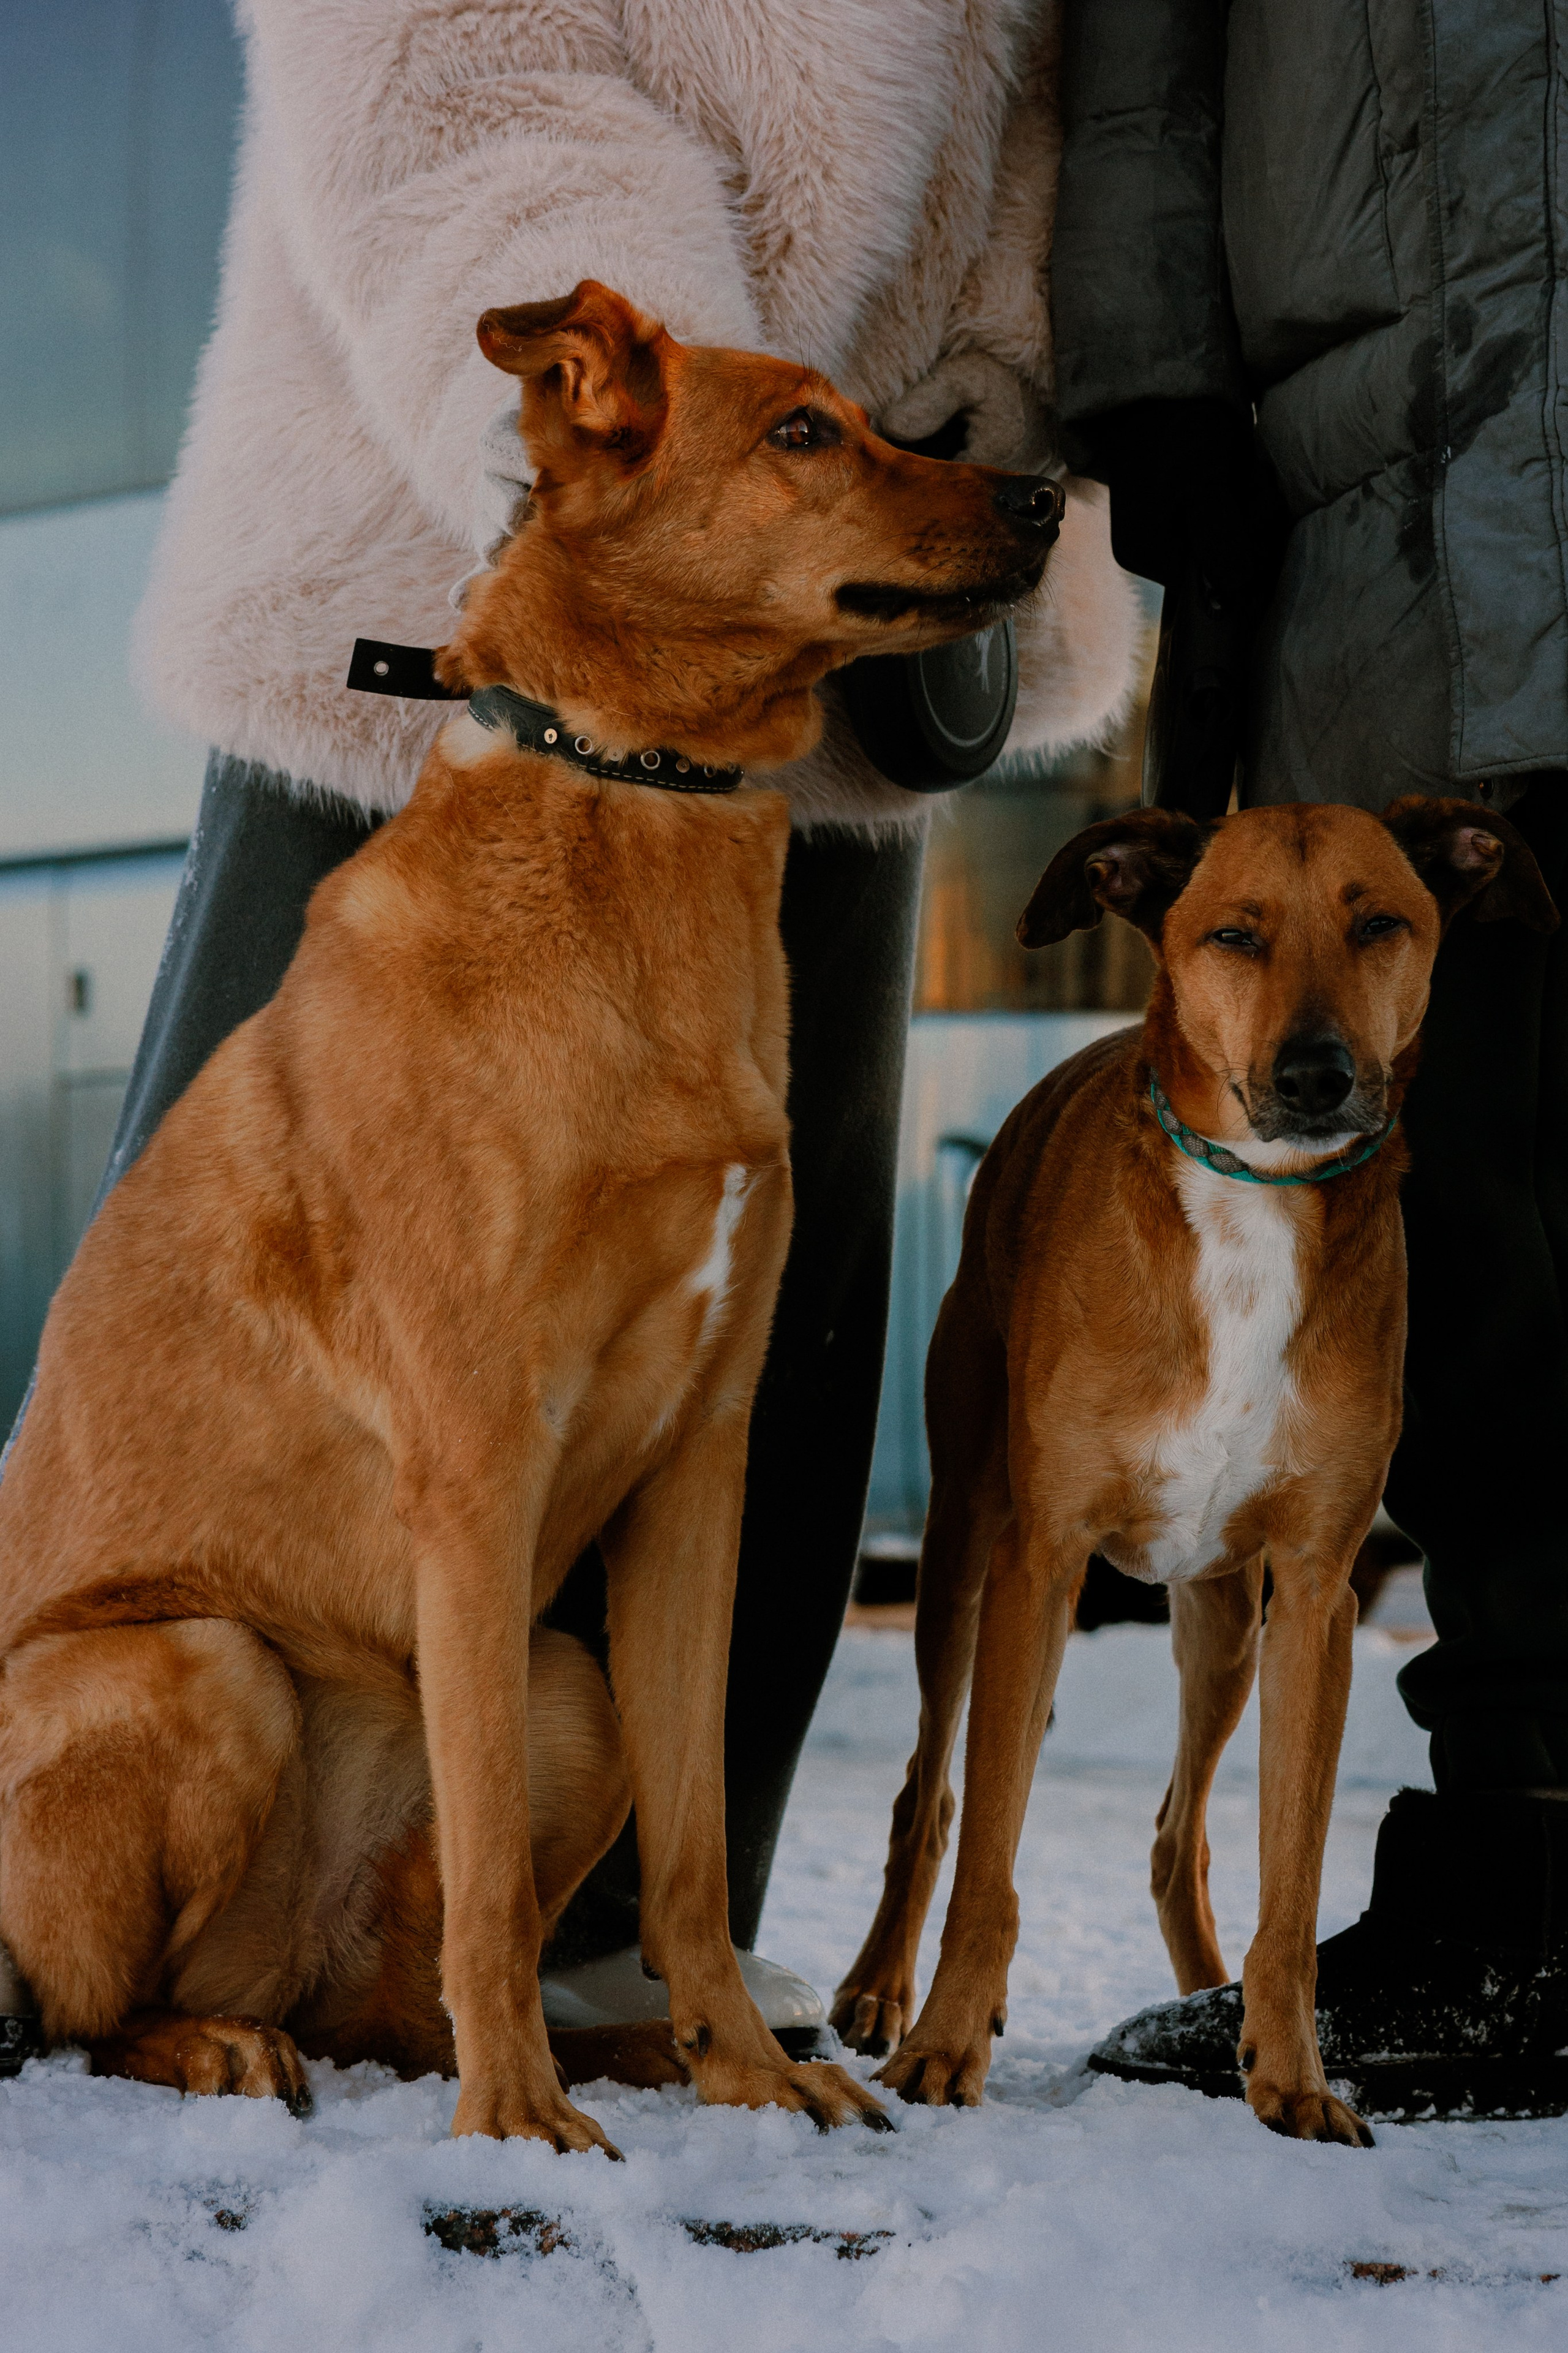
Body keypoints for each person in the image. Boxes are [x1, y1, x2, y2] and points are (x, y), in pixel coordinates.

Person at [0, 0, 1136, 2039]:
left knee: (757, 1372)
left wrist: (987, 400)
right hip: (483, 577)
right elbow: (442, 71)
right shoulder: (620, 456)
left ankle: (630, 1953)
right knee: (206, 1371)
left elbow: (1042, 106)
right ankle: (51, 1911)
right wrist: (663, 452)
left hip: (814, 651)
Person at [1053, 0, 1568, 2116]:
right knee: (1499, 1242)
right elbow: (1145, 42)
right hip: (1400, 522)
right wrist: (1151, 373)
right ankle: (1529, 1876)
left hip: (1406, 512)